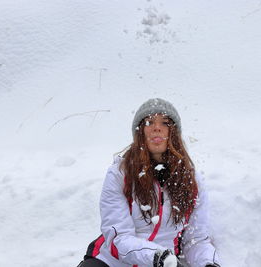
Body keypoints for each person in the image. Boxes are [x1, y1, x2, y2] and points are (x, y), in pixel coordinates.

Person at [78, 98, 221, 267]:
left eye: (165, 123)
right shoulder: (119, 174)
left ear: (173, 131)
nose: (157, 128)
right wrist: (158, 257)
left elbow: (195, 240)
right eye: (149, 122)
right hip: (113, 261)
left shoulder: (191, 180)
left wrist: (208, 263)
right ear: (140, 132)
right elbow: (119, 238)